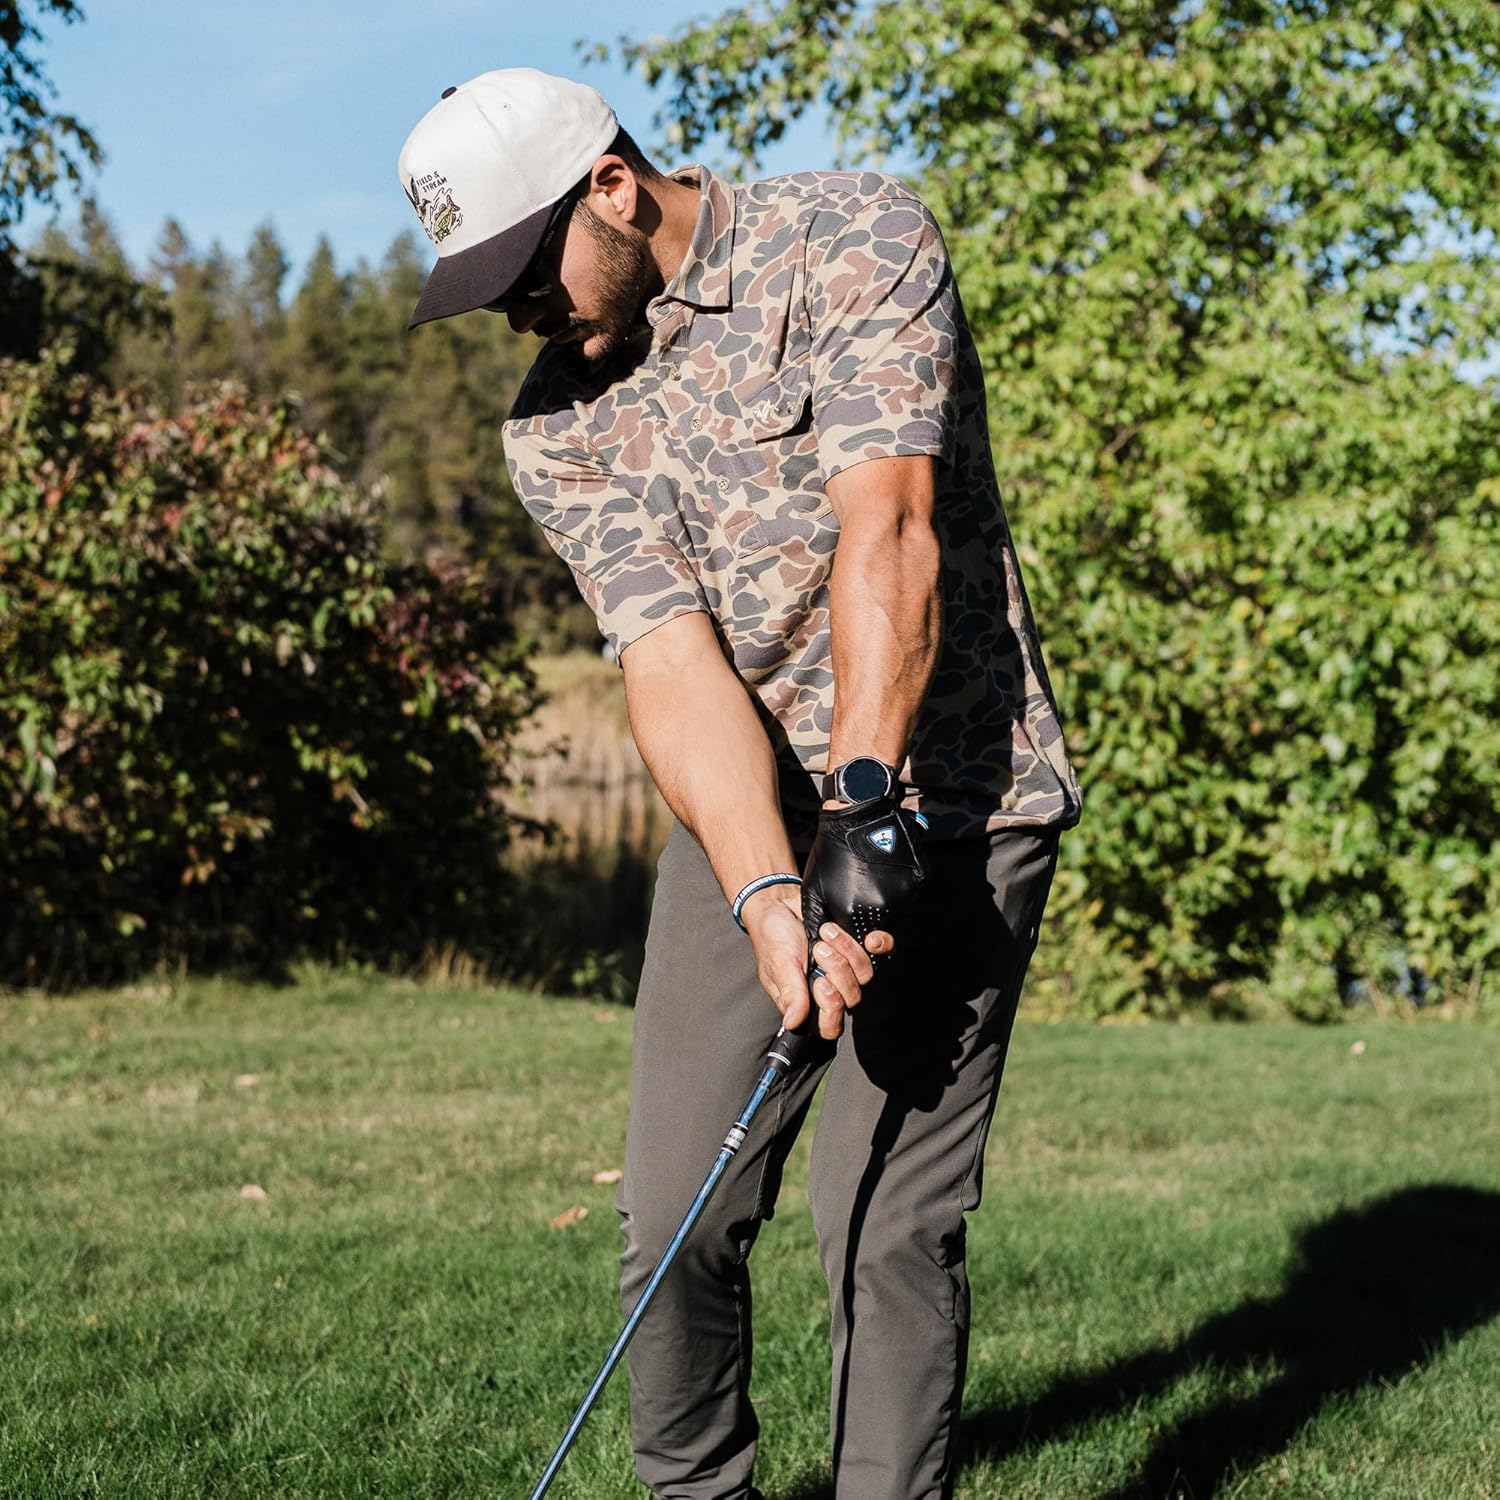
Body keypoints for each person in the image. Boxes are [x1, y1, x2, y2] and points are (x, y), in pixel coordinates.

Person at [398, 67, 1082, 1500]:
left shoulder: (853, 237)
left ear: (611, 185)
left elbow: (886, 525)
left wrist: (868, 797)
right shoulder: (555, 428)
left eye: (523, 270)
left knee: (881, 1227)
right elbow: (668, 660)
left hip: (952, 793)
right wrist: (771, 883)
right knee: (675, 1218)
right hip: (749, 811)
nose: (517, 312)